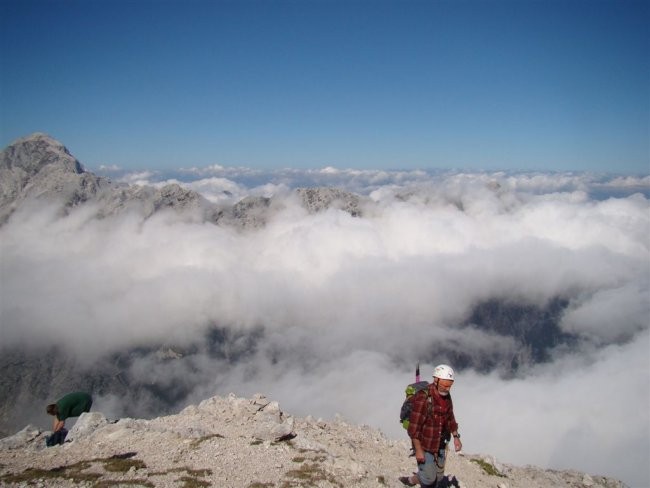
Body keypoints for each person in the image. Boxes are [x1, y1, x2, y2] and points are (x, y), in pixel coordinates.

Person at [400, 364, 462, 487]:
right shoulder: (423, 397)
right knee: (429, 479)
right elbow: (414, 428)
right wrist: (418, 450)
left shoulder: (446, 396)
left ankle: (412, 480)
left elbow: (450, 417)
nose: (447, 388)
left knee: (438, 476)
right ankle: (418, 480)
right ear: (436, 380)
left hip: (440, 442)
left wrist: (456, 437)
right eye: (445, 384)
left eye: (450, 385)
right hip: (424, 444)